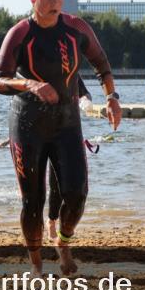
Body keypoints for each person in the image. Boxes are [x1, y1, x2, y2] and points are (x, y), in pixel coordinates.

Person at [0, 0, 122, 276]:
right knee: (33, 201)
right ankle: (36, 264)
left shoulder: (76, 27)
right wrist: (29, 85)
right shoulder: (20, 33)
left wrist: (111, 97)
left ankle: (63, 243)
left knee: (76, 194)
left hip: (67, 124)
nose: (55, 3)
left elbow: (101, 64)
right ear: (34, 0)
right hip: (27, 126)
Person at [47, 77, 94, 242]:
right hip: (43, 132)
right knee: (55, 184)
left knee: (72, 183)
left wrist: (86, 101)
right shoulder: (39, 68)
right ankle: (51, 220)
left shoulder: (71, 70)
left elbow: (84, 92)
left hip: (68, 132)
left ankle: (63, 227)